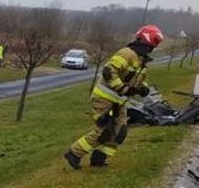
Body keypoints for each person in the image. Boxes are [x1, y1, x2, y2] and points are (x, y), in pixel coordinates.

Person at [64, 24, 163, 169]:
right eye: (154, 43)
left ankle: (99, 159)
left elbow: (139, 80)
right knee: (104, 130)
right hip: (104, 98)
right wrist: (122, 88)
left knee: (120, 132)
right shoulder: (127, 53)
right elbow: (109, 72)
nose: (153, 47)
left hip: (119, 102)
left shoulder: (141, 61)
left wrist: (143, 89)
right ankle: (74, 154)